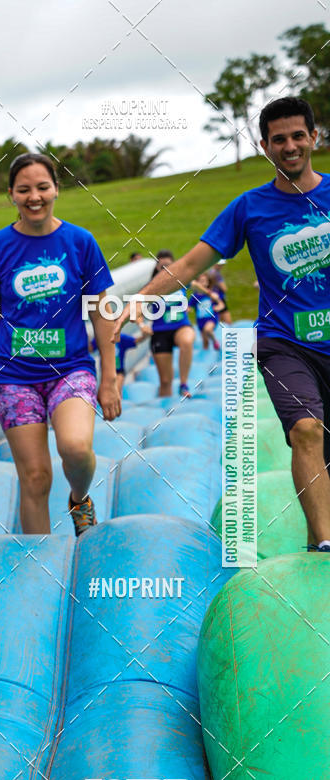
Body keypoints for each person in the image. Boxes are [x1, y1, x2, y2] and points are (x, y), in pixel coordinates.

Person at [113, 96, 330, 553]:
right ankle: (326, 546)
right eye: (278, 139)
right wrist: (140, 300)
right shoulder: (248, 208)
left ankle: (316, 539)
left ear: (314, 137)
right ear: (264, 147)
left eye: (297, 136)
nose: (289, 146)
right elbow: (191, 263)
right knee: (306, 430)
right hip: (283, 342)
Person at [0, 152, 121, 536]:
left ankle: (79, 498)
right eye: (24, 190)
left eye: (42, 187)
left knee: (74, 447)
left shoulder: (80, 242)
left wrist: (109, 377)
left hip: (70, 368)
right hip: (13, 375)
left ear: (56, 189)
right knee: (35, 477)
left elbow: (101, 312)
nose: (34, 196)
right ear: (11, 195)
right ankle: (38, 565)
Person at [147, 250, 195, 398]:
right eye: (163, 267)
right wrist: (141, 325)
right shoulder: (151, 287)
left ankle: (183, 384)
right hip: (160, 333)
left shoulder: (181, 282)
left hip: (180, 327)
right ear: (157, 268)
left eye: (169, 266)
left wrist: (210, 294)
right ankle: (164, 413)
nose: (166, 270)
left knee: (187, 341)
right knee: (165, 381)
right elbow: (138, 307)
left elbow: (196, 283)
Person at [89, 327, 149, 393]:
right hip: (106, 373)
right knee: (108, 393)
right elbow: (90, 348)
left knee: (116, 391)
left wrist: (144, 336)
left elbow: (135, 341)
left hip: (119, 371)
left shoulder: (121, 338)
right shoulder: (101, 337)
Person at [188, 272, 223, 351]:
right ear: (197, 283)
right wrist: (187, 310)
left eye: (205, 281)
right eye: (201, 281)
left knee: (208, 330)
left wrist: (218, 307)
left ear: (208, 282)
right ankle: (206, 359)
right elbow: (189, 307)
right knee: (205, 342)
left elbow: (221, 305)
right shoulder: (195, 296)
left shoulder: (211, 294)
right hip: (200, 320)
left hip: (211, 318)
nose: (203, 283)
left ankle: (215, 342)